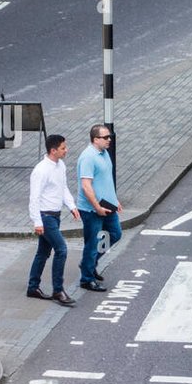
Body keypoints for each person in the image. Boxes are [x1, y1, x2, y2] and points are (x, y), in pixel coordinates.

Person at [28, 133, 80, 306]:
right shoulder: (41, 171)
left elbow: (62, 187)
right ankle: (58, 290)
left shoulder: (60, 165)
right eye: (63, 148)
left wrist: (72, 206)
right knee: (61, 249)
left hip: (55, 216)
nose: (66, 150)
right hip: (46, 217)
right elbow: (34, 198)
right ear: (53, 150)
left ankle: (33, 287)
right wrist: (37, 222)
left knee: (43, 252)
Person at [77, 124, 122, 292]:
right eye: (106, 137)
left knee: (115, 234)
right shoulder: (88, 157)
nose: (109, 139)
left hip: (108, 206)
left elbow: (106, 180)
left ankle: (90, 262)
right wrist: (96, 207)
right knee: (92, 242)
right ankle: (86, 279)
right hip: (91, 209)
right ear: (95, 139)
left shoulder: (104, 154)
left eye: (109, 137)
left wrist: (115, 200)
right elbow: (86, 186)